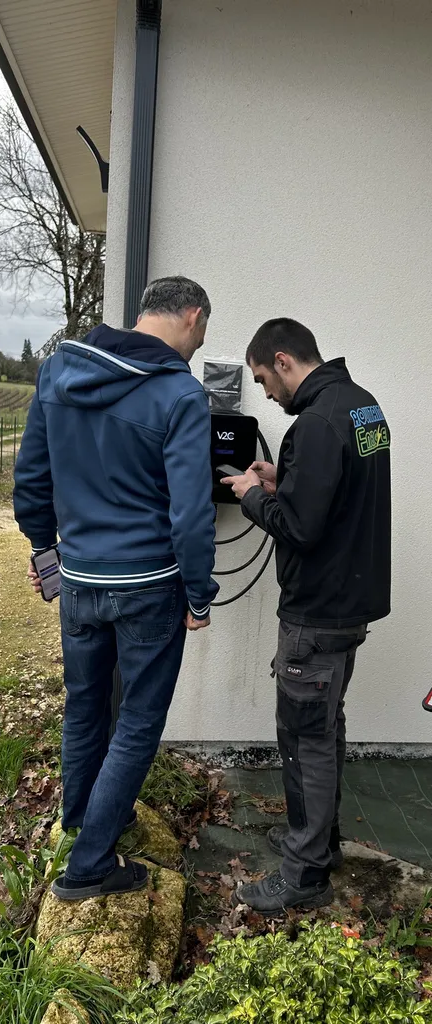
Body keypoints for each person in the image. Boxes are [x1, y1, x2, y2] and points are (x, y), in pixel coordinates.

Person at [13, 276, 218, 901]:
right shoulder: (180, 394)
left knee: (84, 706)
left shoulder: (57, 374)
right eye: (203, 329)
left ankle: (79, 821)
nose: (201, 341)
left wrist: (47, 550)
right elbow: (190, 512)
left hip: (78, 582)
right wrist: (199, 592)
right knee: (136, 722)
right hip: (148, 588)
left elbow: (31, 479)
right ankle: (90, 865)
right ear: (191, 316)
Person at [222, 318, 391, 914]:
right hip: (351, 602)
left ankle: (305, 872)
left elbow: (299, 526)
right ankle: (322, 841)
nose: (267, 393)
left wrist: (251, 496)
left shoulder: (315, 424)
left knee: (304, 738)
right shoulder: (362, 407)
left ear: (285, 359)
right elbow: (337, 493)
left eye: (266, 379)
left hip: (317, 611)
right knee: (327, 726)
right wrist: (282, 479)